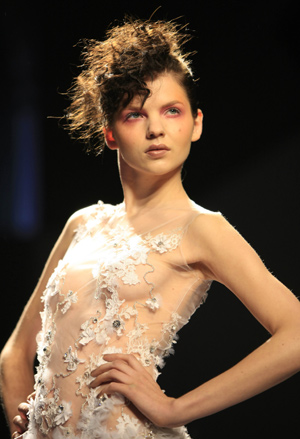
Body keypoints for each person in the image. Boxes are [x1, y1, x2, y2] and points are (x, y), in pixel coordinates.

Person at [1, 17, 300, 439]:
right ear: (110, 133)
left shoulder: (202, 229)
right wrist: (23, 428)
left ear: (195, 124)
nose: (156, 128)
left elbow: (297, 334)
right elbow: (15, 352)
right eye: (135, 114)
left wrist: (173, 408)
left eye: (171, 111)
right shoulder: (83, 223)